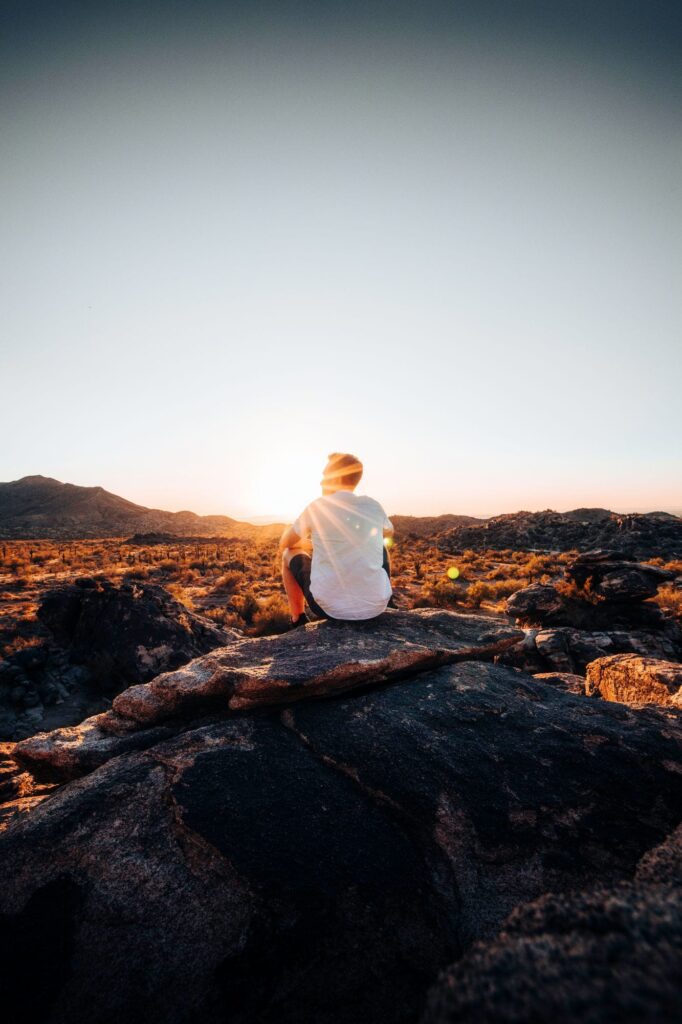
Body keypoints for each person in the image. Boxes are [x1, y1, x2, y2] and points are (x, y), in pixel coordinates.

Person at [279, 452, 394, 626]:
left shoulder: (318, 507)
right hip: (376, 607)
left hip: (329, 609)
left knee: (288, 554)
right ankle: (387, 601)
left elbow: (285, 543)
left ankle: (298, 618)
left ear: (336, 478)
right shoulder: (373, 505)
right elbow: (389, 533)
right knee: (380, 544)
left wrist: (312, 542)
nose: (320, 481)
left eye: (325, 476)